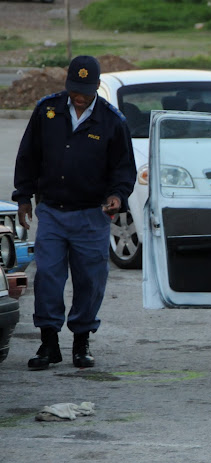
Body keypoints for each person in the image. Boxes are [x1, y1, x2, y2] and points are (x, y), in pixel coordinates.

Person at [13, 55, 136, 370]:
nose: (78, 96)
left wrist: (117, 196)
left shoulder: (112, 121)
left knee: (90, 280)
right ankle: (49, 344)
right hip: (52, 212)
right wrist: (23, 196)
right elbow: (29, 154)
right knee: (48, 278)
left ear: (97, 86)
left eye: (84, 90)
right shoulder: (47, 111)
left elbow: (123, 170)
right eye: (73, 89)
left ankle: (81, 342)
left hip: (91, 216)